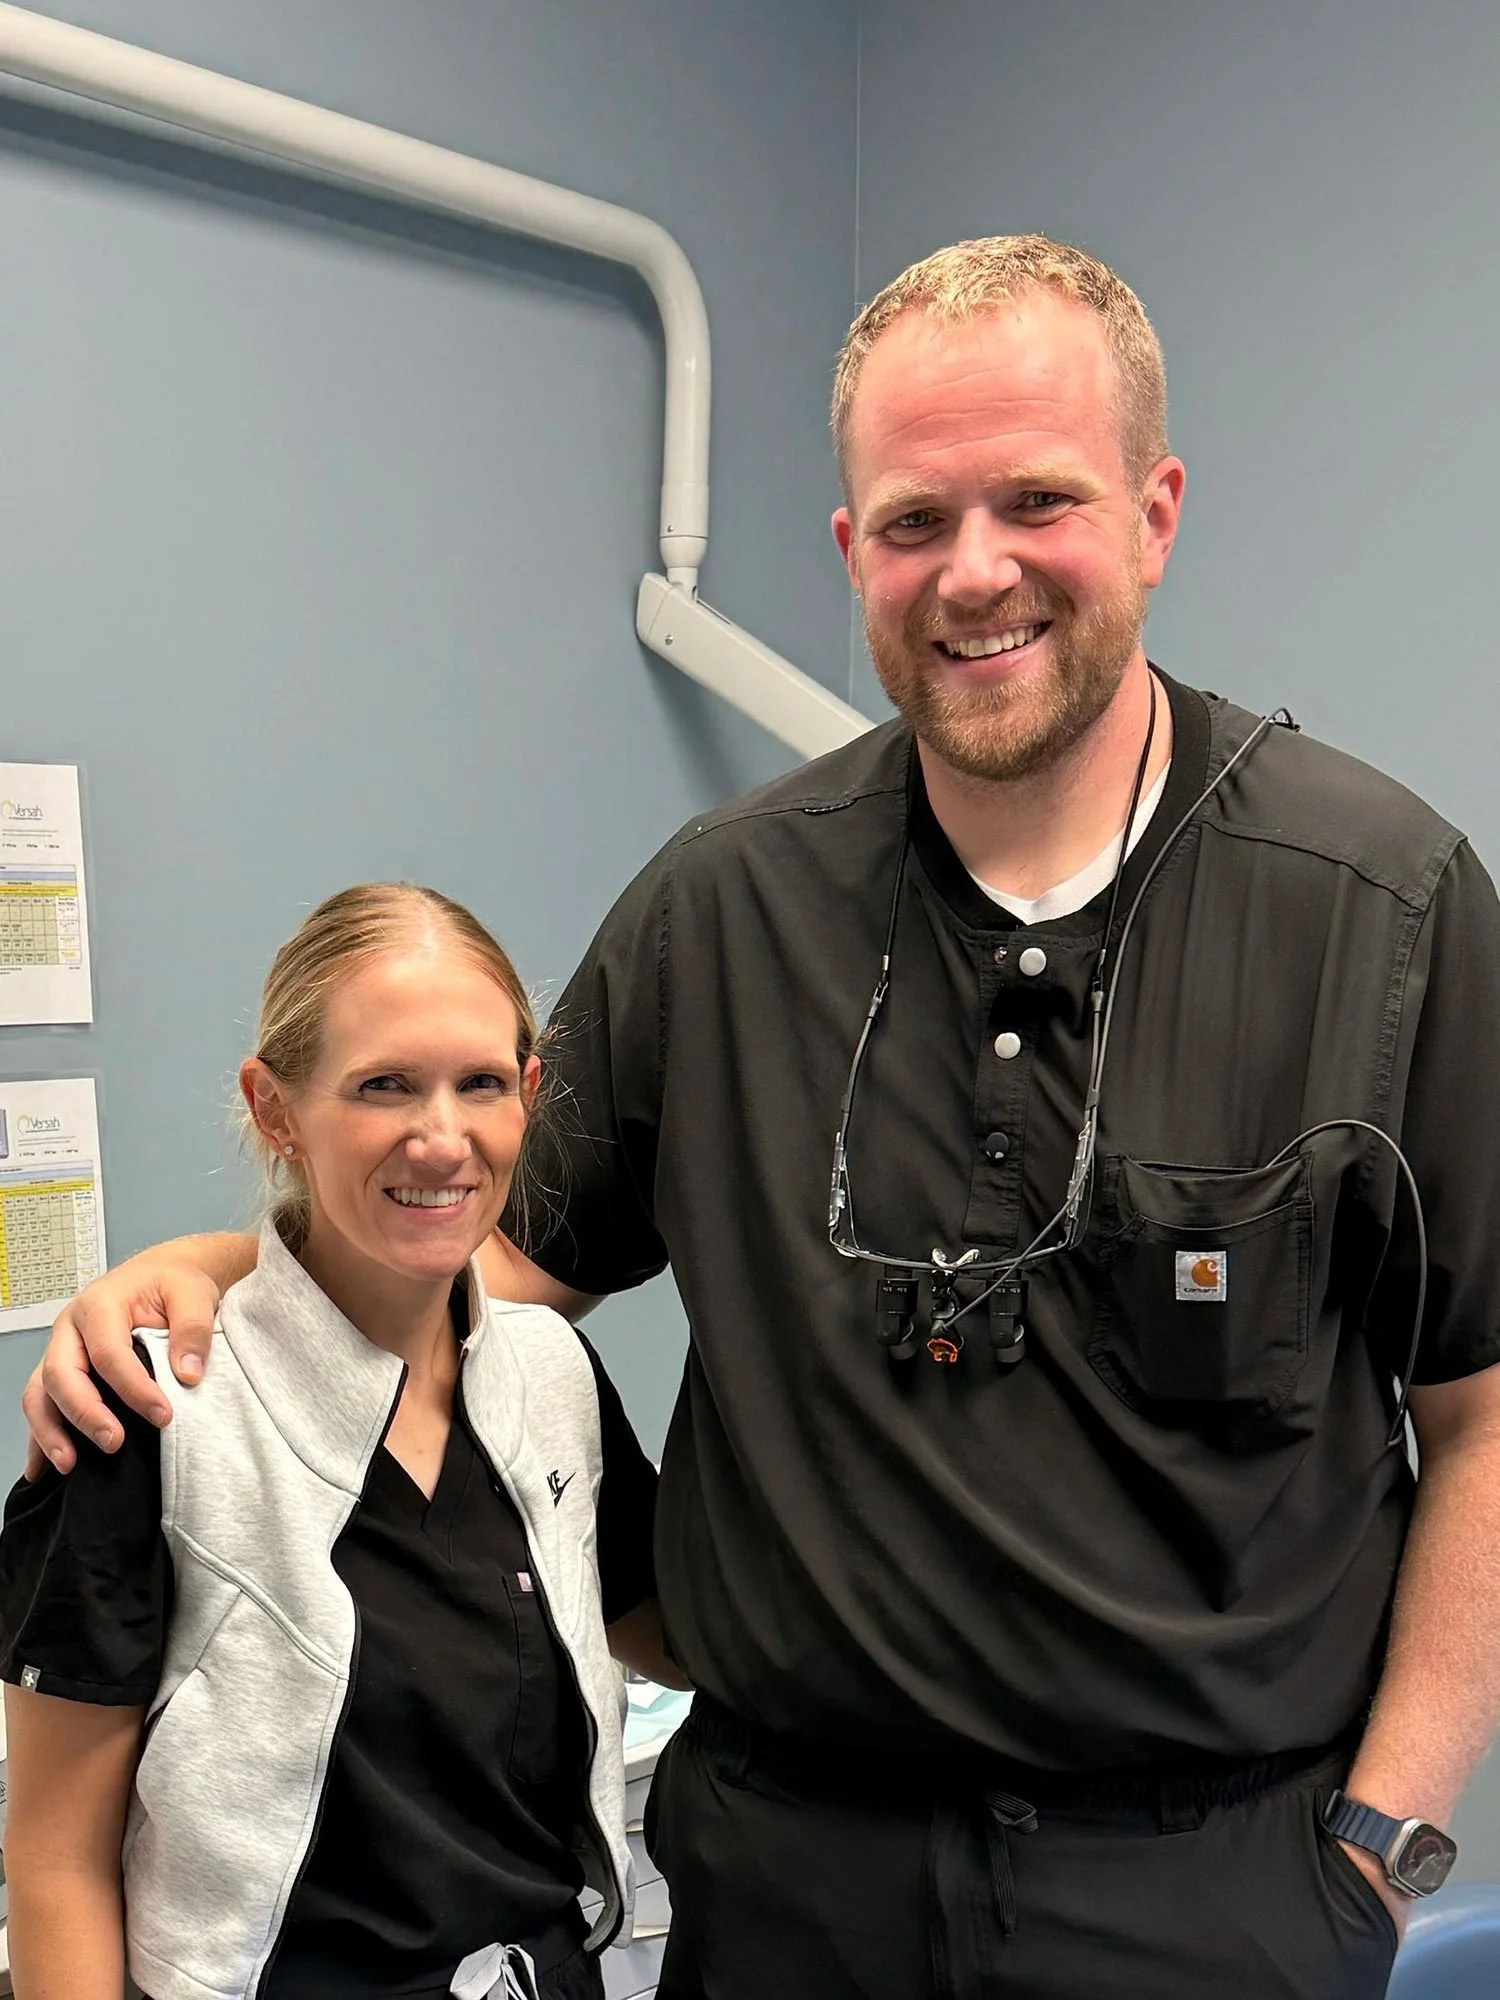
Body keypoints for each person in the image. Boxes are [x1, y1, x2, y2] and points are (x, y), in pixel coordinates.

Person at [26, 238, 1500, 2000]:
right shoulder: (717, 913)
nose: (976, 574)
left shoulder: (1381, 909)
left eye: (1038, 500)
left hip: (1212, 1900)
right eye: (911, 521)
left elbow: (1481, 1417)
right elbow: (465, 1265)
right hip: (792, 1889)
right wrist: (214, 1273)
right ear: (848, 552)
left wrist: (1382, 1845)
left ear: (1156, 510)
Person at [0, 883, 677, 2000]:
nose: (442, 1137)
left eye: (481, 1084)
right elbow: (58, 1858)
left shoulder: (550, 1377)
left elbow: (668, 1630)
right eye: (383, 1087)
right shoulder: (148, 1410)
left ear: (532, 1097)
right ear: (275, 1108)